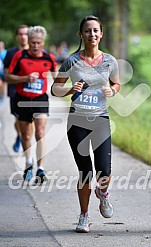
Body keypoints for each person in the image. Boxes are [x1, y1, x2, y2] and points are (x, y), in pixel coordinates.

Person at [51, 15, 120, 233]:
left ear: (101, 34)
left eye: (95, 30)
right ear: (80, 34)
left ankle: (103, 194)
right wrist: (71, 89)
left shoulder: (110, 61)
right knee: (85, 172)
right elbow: (55, 89)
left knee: (104, 171)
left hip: (100, 119)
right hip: (77, 120)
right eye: (87, 31)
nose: (92, 34)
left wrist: (112, 90)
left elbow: (116, 83)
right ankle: (83, 216)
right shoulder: (71, 61)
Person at [6, 25, 57, 183]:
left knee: (40, 133)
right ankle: (29, 163)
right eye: (33, 42)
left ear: (43, 42)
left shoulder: (49, 58)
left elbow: (58, 80)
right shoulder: (19, 56)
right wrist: (25, 78)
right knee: (26, 135)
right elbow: (8, 77)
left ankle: (41, 169)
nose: (35, 46)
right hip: (22, 99)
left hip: (40, 98)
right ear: (29, 40)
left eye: (38, 43)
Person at [4, 25, 29, 152]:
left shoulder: (35, 52)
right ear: (17, 36)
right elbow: (6, 74)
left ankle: (26, 137)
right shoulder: (10, 53)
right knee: (18, 119)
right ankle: (21, 135)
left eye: (26, 34)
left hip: (32, 91)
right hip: (15, 91)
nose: (23, 37)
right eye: (21, 34)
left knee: (32, 119)